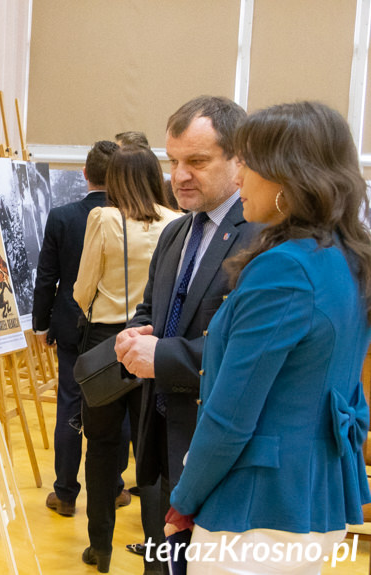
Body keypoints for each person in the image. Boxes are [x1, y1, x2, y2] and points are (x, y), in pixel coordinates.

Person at [166, 101, 371, 573]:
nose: (239, 178)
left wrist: (185, 497)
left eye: (249, 164)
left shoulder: (285, 269)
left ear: (287, 179)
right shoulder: (346, 257)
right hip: (314, 496)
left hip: (256, 509)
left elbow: (231, 415)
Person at [113, 96, 261, 574]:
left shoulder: (260, 238)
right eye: (173, 161)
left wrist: (163, 357)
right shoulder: (176, 233)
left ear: (239, 159)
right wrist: (134, 336)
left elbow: (245, 354)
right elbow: (151, 311)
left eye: (196, 162)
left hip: (217, 455)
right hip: (160, 443)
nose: (178, 176)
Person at [72, 145, 181, 571]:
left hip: (108, 341)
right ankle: (157, 556)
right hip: (157, 344)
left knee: (100, 447)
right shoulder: (178, 221)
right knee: (150, 454)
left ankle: (100, 547)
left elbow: (84, 287)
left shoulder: (104, 218)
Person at [32, 140, 118, 517]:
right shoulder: (129, 219)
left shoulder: (62, 216)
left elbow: (46, 276)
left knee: (70, 405)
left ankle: (65, 493)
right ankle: (114, 487)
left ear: (85, 174)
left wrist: (40, 323)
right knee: (116, 407)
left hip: (70, 325)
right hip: (115, 328)